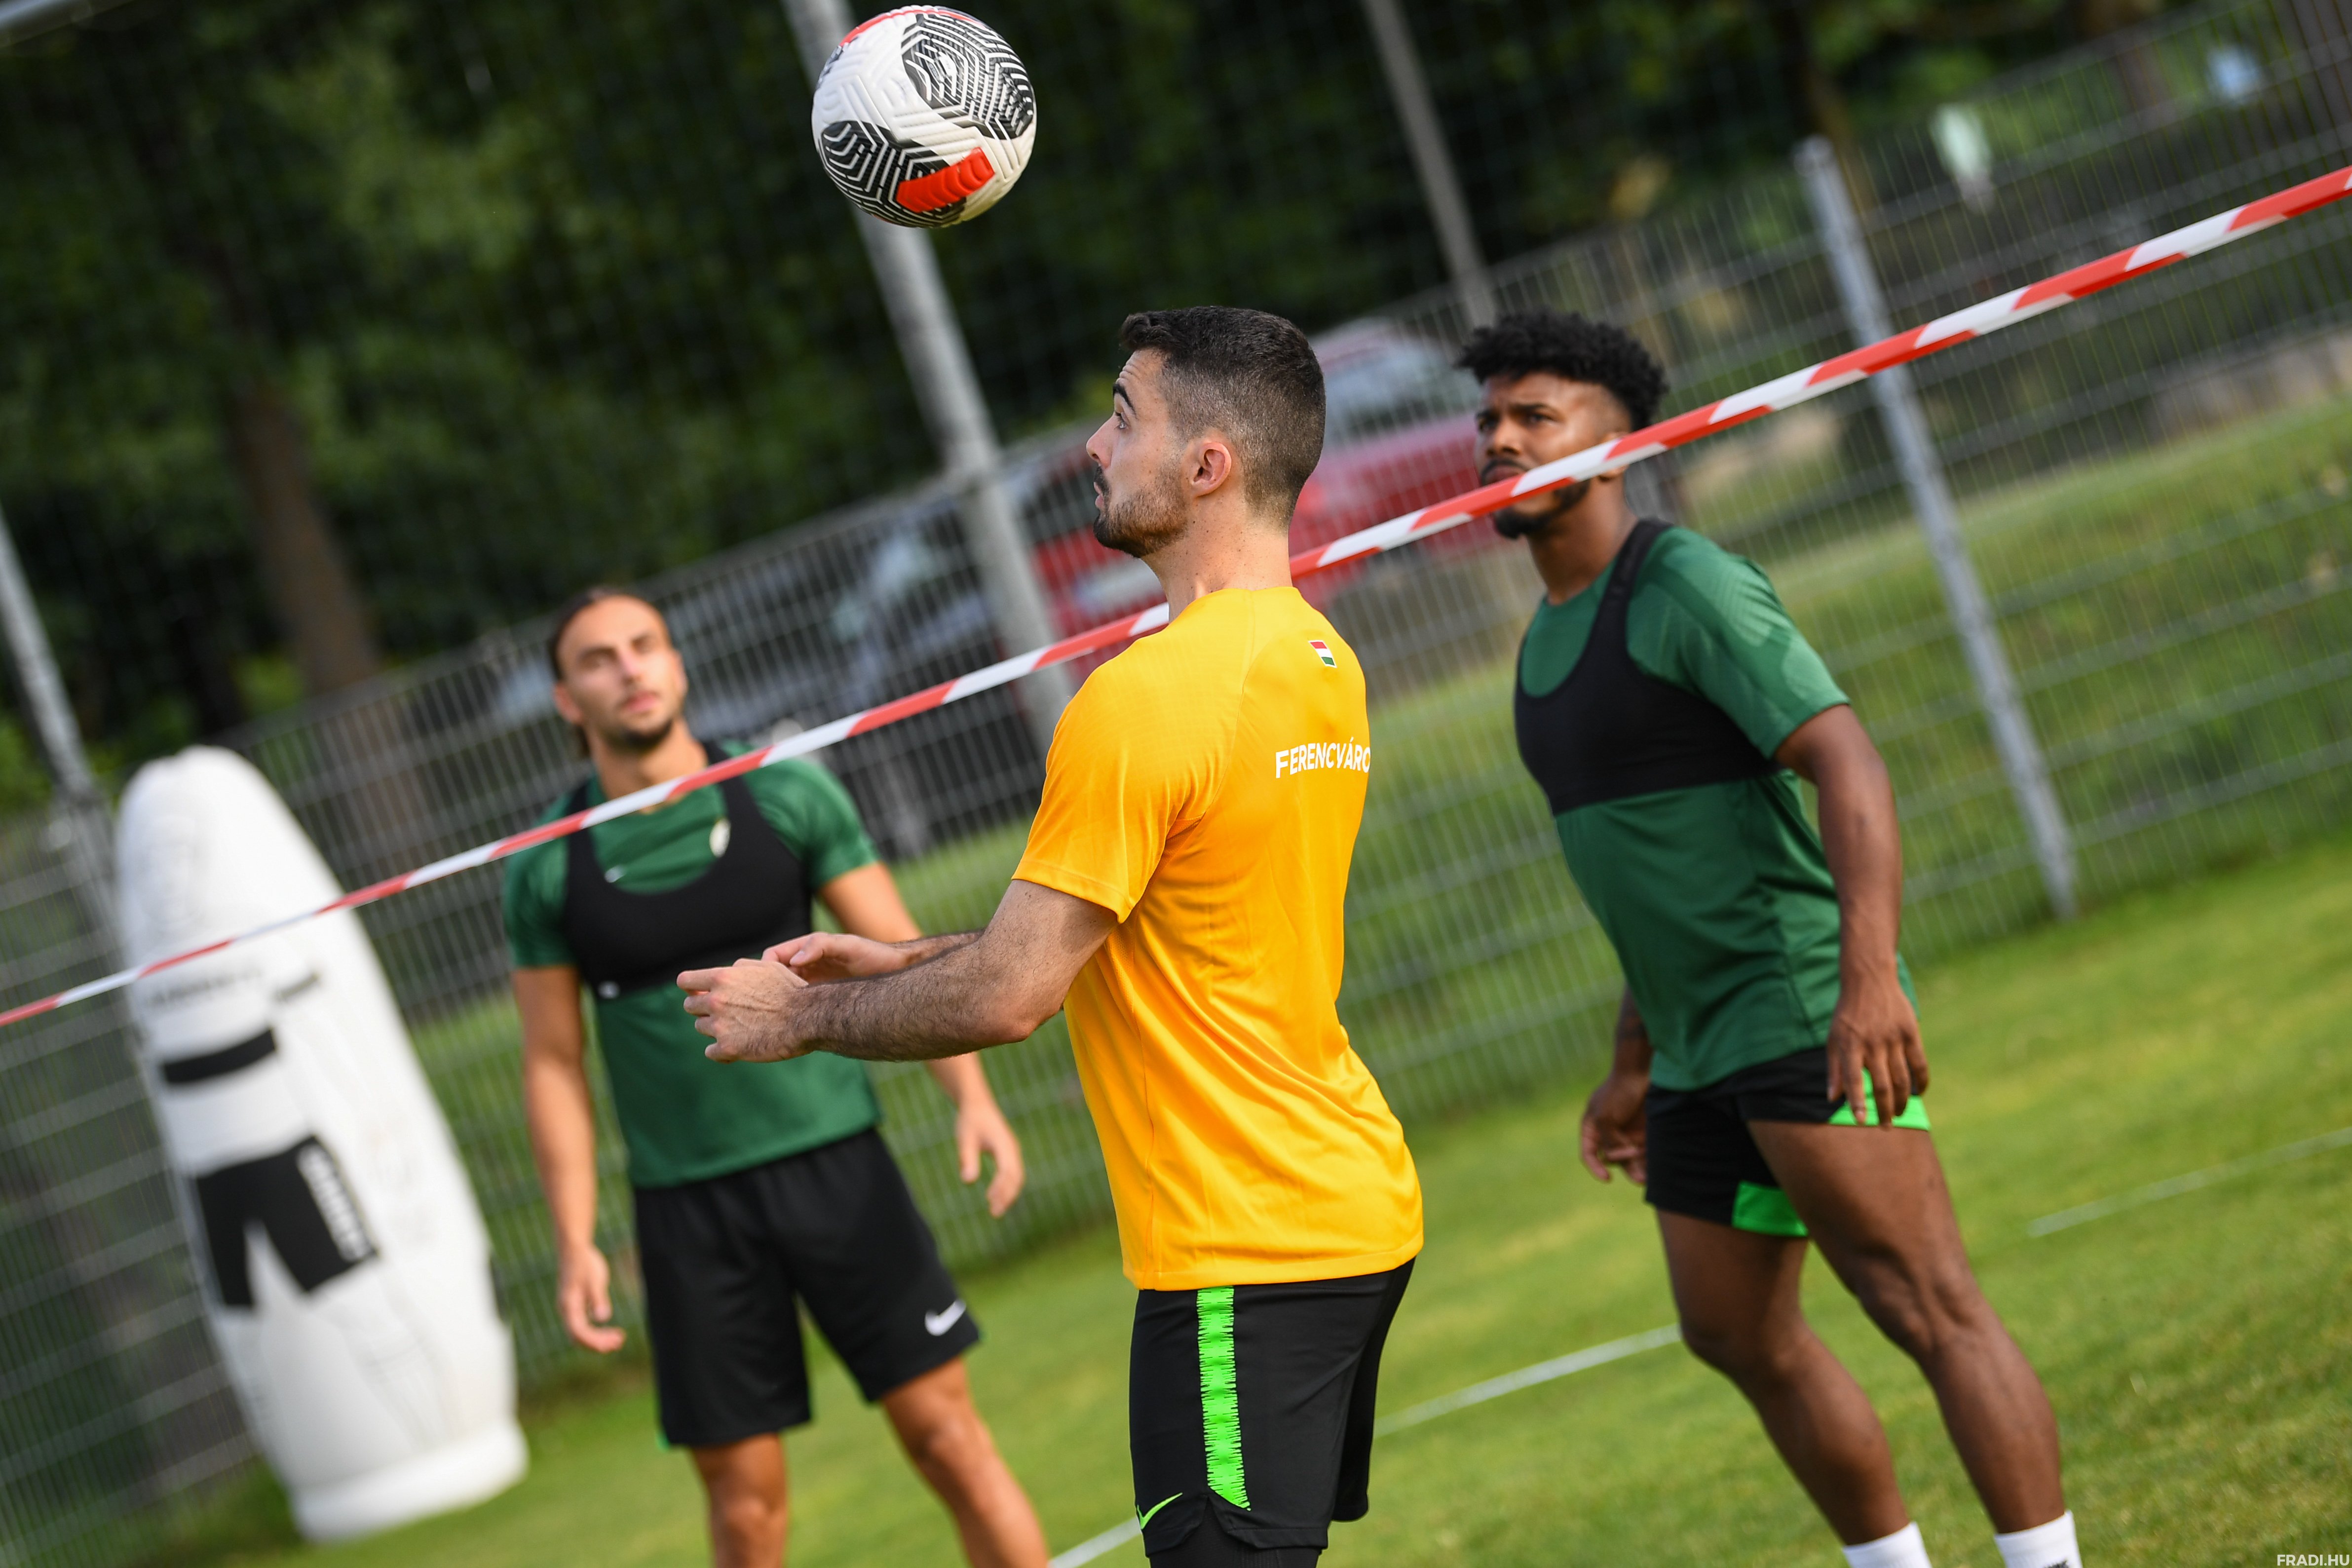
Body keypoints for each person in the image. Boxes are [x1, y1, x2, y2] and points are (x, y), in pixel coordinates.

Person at [684, 307, 1424, 1568]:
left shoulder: (1145, 695)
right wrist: (908, 958)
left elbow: (1012, 996)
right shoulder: (1316, 655)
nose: (1093, 444)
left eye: (1125, 416)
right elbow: (1159, 930)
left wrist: (801, 1016)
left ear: (1207, 466)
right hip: (1343, 1209)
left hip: (1244, 1249)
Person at [1462, 308, 2083, 1568]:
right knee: (1734, 1330)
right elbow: (1650, 876)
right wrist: (1632, 1059)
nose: (1500, 441)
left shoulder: (1684, 584)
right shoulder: (1542, 643)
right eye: (1489, 420)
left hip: (1798, 1006)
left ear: (1619, 443)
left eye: (1535, 416)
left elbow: (1846, 762)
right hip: (1690, 1049)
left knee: (1926, 1304)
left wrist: (1868, 981)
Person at [504, 588, 1048, 1568]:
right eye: (597, 658)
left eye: (644, 645)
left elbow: (899, 953)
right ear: (566, 699)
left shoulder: (787, 794)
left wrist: (973, 1098)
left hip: (838, 1171)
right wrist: (575, 1237)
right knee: (746, 1512)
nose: (628, 668)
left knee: (951, 1443)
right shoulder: (545, 865)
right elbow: (552, 1060)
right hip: (688, 1211)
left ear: (677, 664)